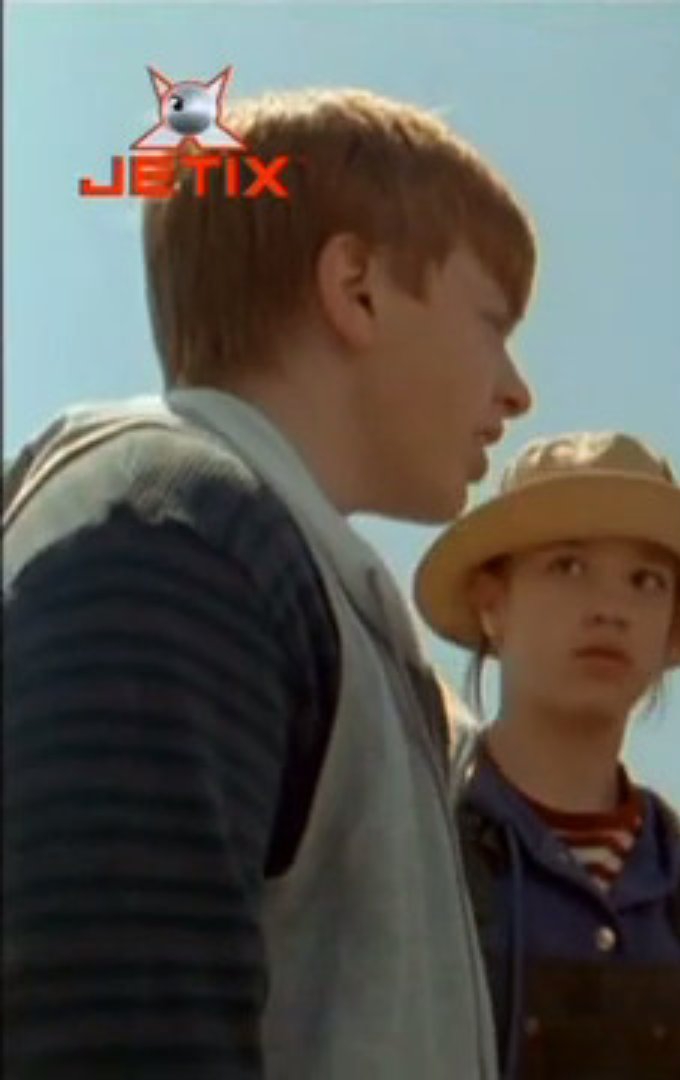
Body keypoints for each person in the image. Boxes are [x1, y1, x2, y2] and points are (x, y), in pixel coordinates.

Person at [3, 87, 537, 1079]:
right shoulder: (170, 542)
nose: (517, 388)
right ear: (357, 288)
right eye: (493, 322)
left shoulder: (280, 571)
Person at [412, 429, 680, 1080]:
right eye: (568, 567)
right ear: (492, 603)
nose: (611, 609)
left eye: (645, 581)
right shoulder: (413, 848)